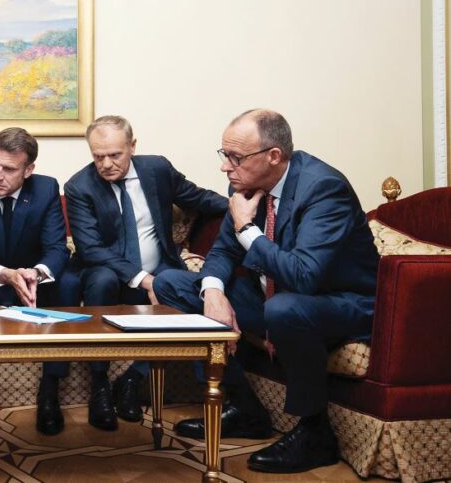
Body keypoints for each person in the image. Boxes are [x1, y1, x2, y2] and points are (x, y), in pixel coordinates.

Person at [153, 109, 378, 473]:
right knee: (170, 282)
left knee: (284, 308)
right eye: (224, 155)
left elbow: (304, 275)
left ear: (273, 155)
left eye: (236, 157)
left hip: (341, 304)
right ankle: (244, 408)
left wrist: (247, 229)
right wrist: (213, 294)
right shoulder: (244, 185)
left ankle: (315, 433)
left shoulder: (323, 188)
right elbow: (223, 251)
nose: (225, 167)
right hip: (275, 298)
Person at [64, 115, 227, 430]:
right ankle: (99, 387)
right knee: (101, 279)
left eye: (115, 154)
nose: (106, 164)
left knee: (178, 287)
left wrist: (240, 207)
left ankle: (130, 379)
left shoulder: (157, 169)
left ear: (132, 146)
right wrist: (145, 280)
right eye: (98, 156)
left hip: (161, 266)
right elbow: (91, 248)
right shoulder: (78, 186)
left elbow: (198, 198)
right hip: (109, 273)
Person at [0, 127, 81, 447]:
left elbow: (56, 248)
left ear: (28, 170)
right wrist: (5, 274)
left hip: (30, 280)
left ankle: (50, 391)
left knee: (69, 282)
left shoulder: (46, 189)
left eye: (8, 169)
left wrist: (36, 273)